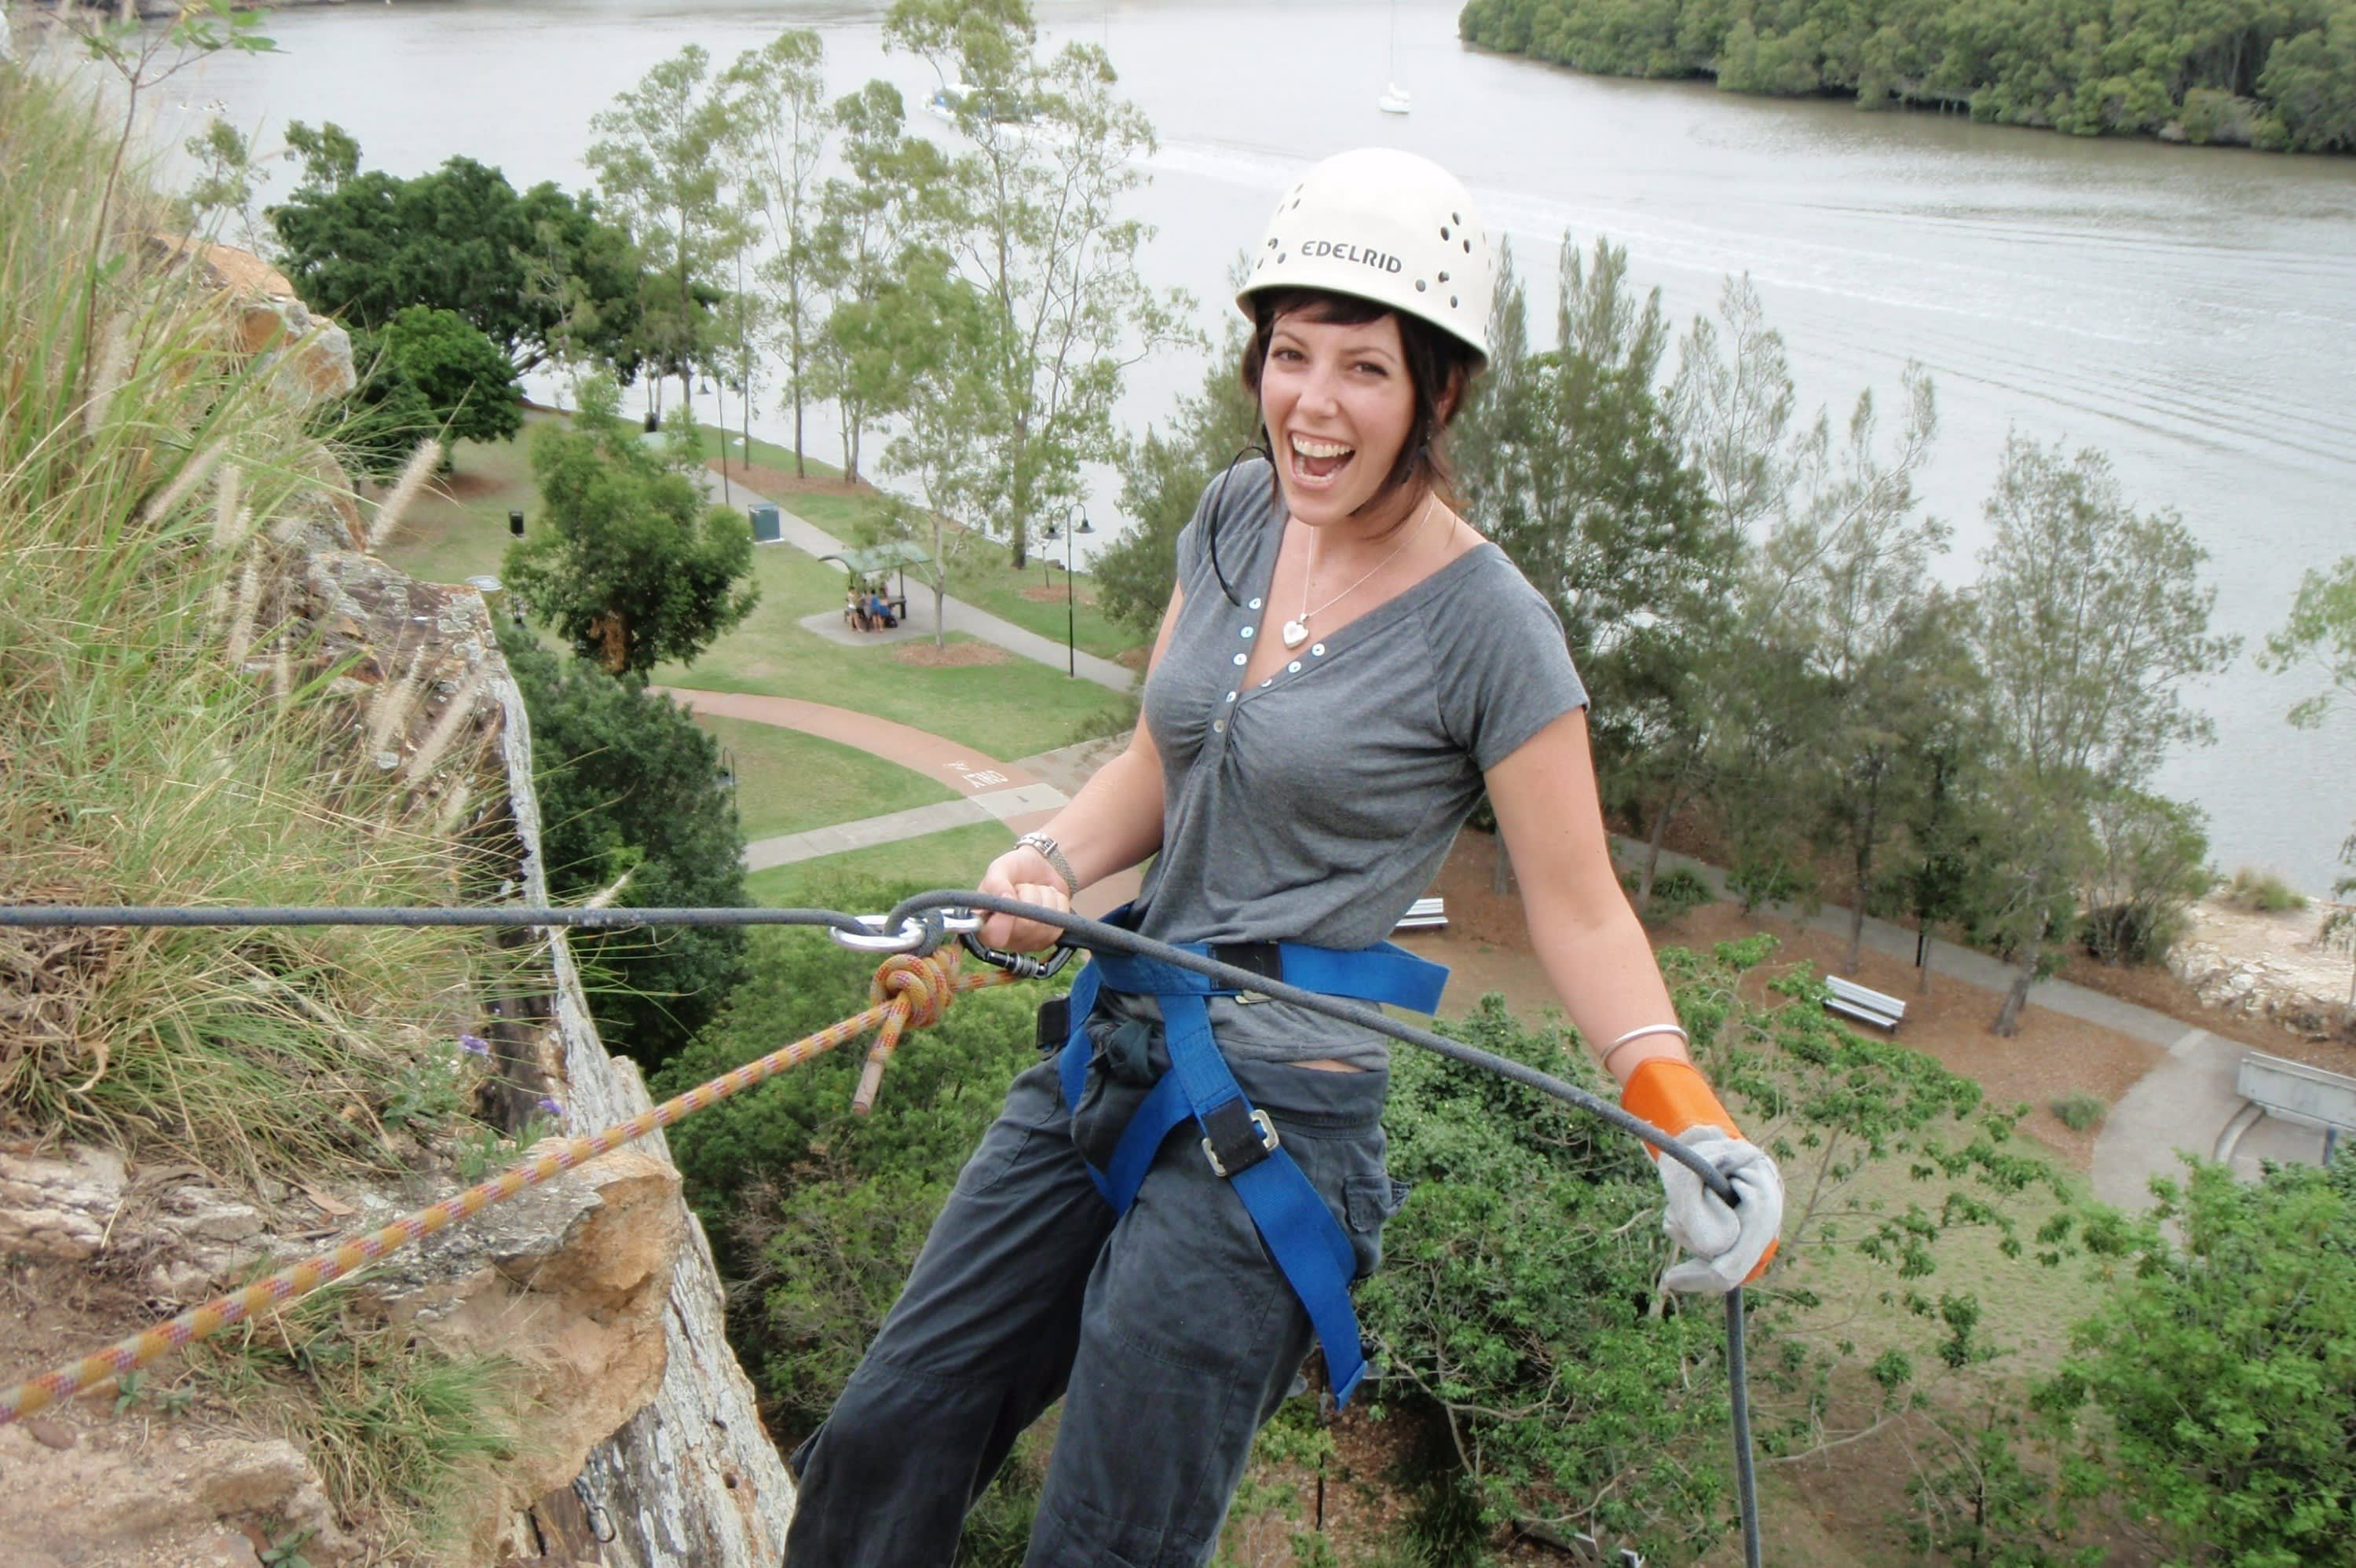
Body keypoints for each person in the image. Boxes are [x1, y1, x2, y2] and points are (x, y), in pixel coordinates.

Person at [782, 148, 1783, 1568]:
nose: (1313, 405)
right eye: (1290, 355)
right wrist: (1045, 864)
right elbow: (1156, 754)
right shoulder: (1237, 514)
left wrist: (1680, 1105)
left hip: (1276, 1126)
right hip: (1116, 1042)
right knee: (885, 1435)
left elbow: (1579, 905)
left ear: (1437, 391)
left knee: (1108, 1542)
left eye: (1363, 368)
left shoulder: (1493, 631)